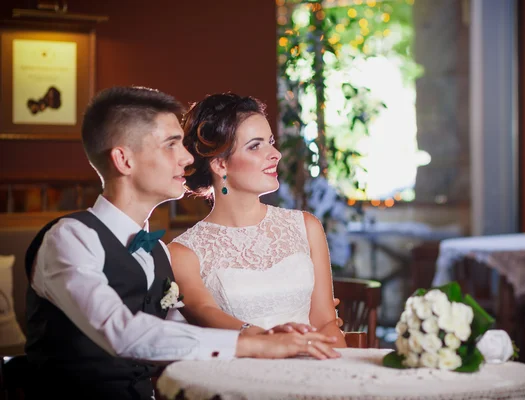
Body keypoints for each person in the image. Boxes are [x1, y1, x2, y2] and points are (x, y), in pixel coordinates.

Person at [24, 86, 340, 400]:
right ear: (124, 159)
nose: (188, 157)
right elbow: (122, 333)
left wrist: (271, 334)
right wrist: (257, 344)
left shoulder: (157, 252)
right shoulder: (68, 239)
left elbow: (183, 338)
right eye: (171, 145)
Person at [168, 93, 347, 347]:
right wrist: (274, 341)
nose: (275, 154)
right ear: (220, 165)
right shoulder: (184, 252)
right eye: (255, 145)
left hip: (315, 368)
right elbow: (205, 313)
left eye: (271, 142)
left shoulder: (306, 227)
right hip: (239, 375)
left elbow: (326, 323)